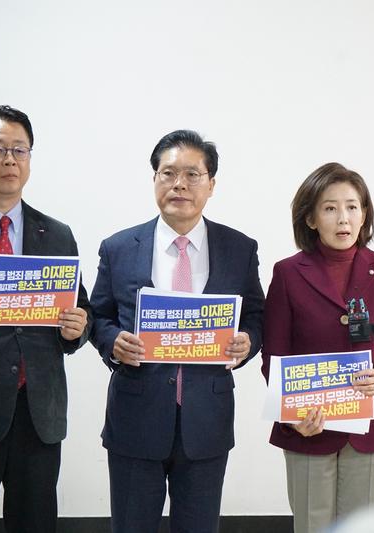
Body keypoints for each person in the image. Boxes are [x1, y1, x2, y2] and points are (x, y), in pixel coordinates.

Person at [89, 130, 264, 533]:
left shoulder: (239, 248)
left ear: (211, 184)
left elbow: (256, 315)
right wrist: (113, 342)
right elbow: (98, 316)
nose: (179, 184)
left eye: (192, 174)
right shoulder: (118, 247)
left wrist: (248, 342)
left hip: (207, 422)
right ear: (154, 179)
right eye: (168, 173)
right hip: (135, 419)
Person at [0, 105, 92, 532]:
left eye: (20, 149)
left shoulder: (57, 234)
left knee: (35, 523)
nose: (10, 159)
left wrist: (77, 329)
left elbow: (81, 308)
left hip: (38, 413)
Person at [261, 162, 374, 533]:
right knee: (312, 524)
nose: (343, 218)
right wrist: (292, 414)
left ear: (364, 214)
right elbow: (273, 355)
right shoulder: (288, 272)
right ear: (310, 218)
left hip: (369, 424)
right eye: (330, 208)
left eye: (352, 207)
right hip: (309, 424)